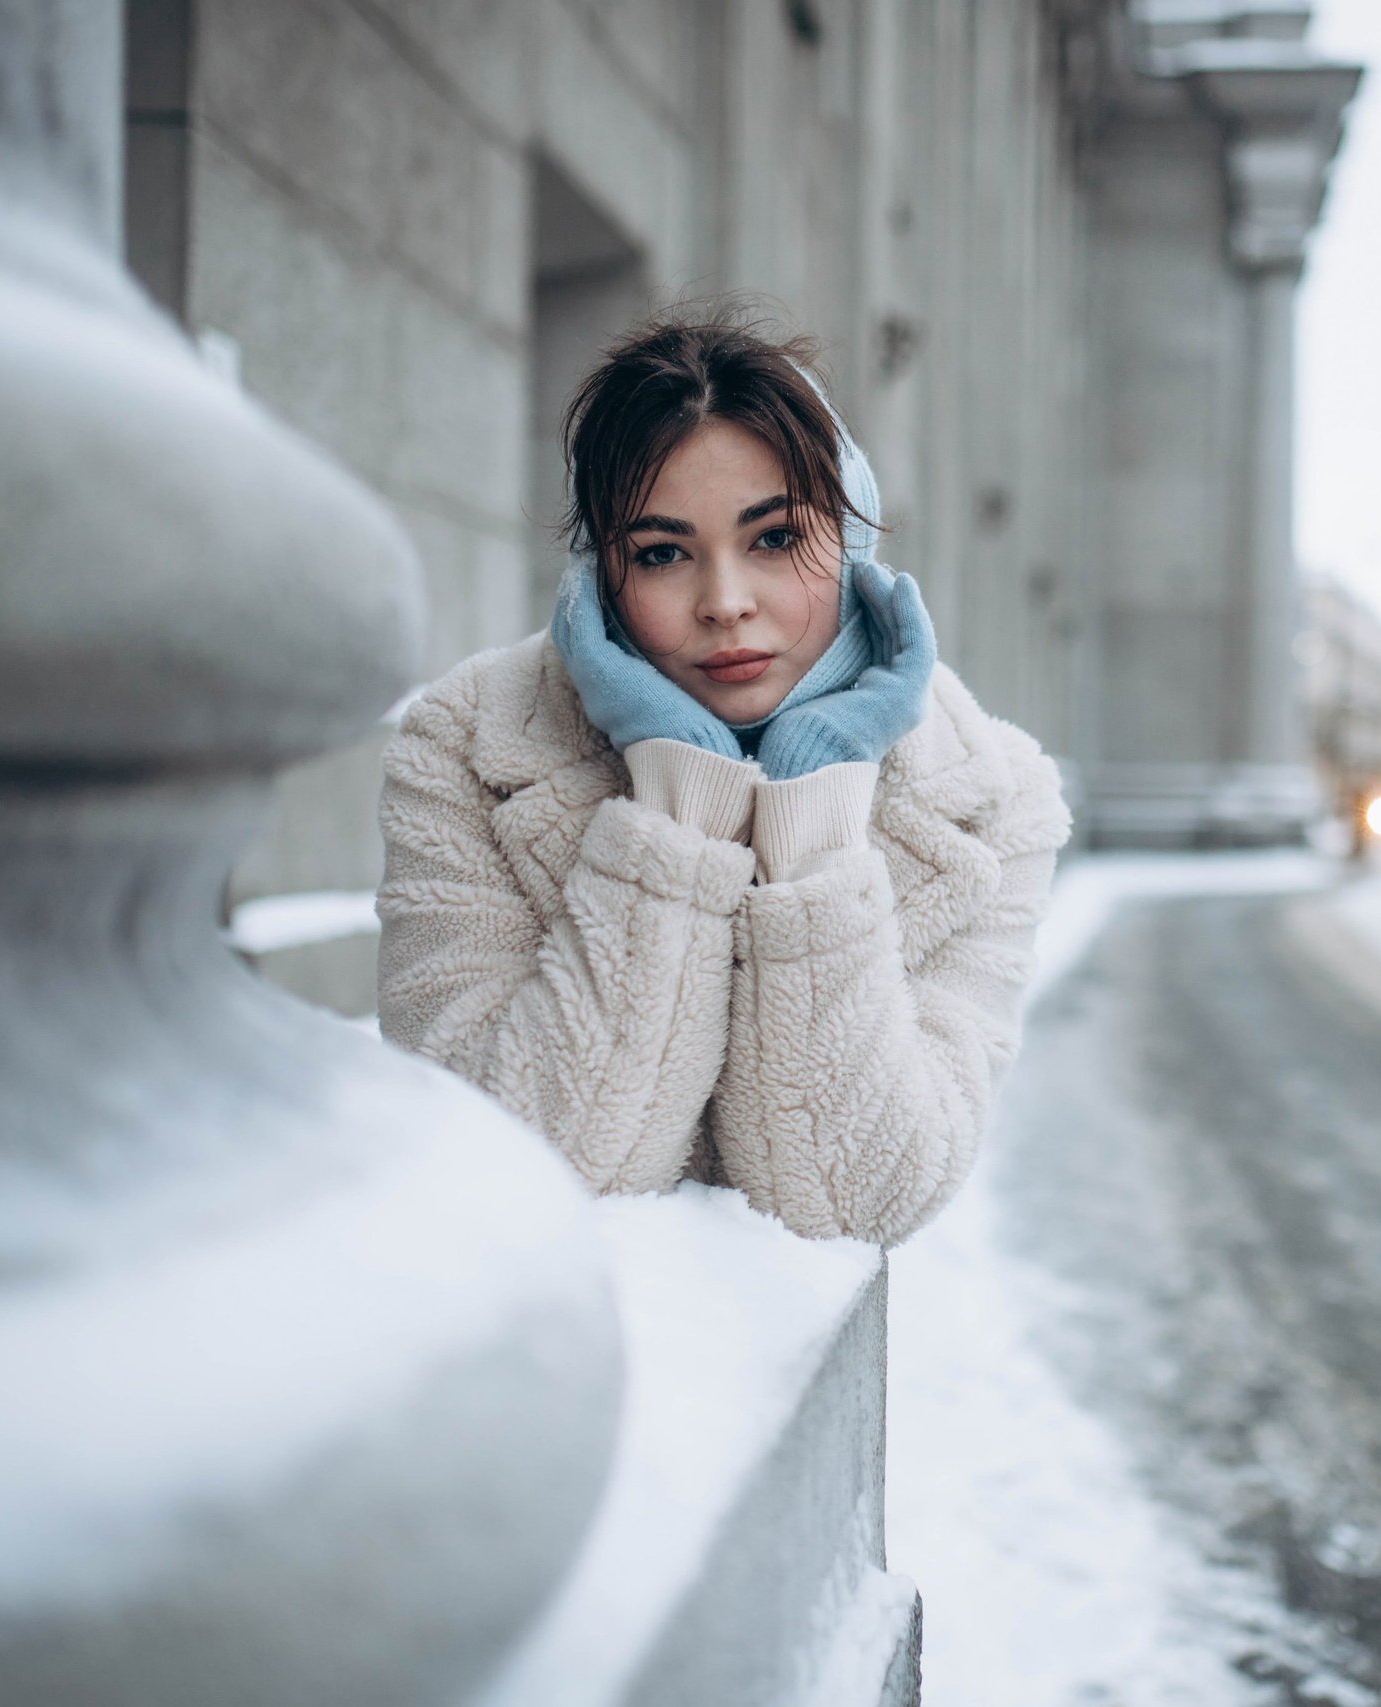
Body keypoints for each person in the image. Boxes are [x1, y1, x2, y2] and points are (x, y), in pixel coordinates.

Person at [374, 311, 1072, 1247]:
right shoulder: (464, 745)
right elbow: (522, 1174)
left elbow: (852, 1203)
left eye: (776, 537)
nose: (726, 601)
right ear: (601, 581)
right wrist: (680, 806)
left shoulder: (992, 797)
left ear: (851, 534)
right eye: (662, 553)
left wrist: (818, 809)